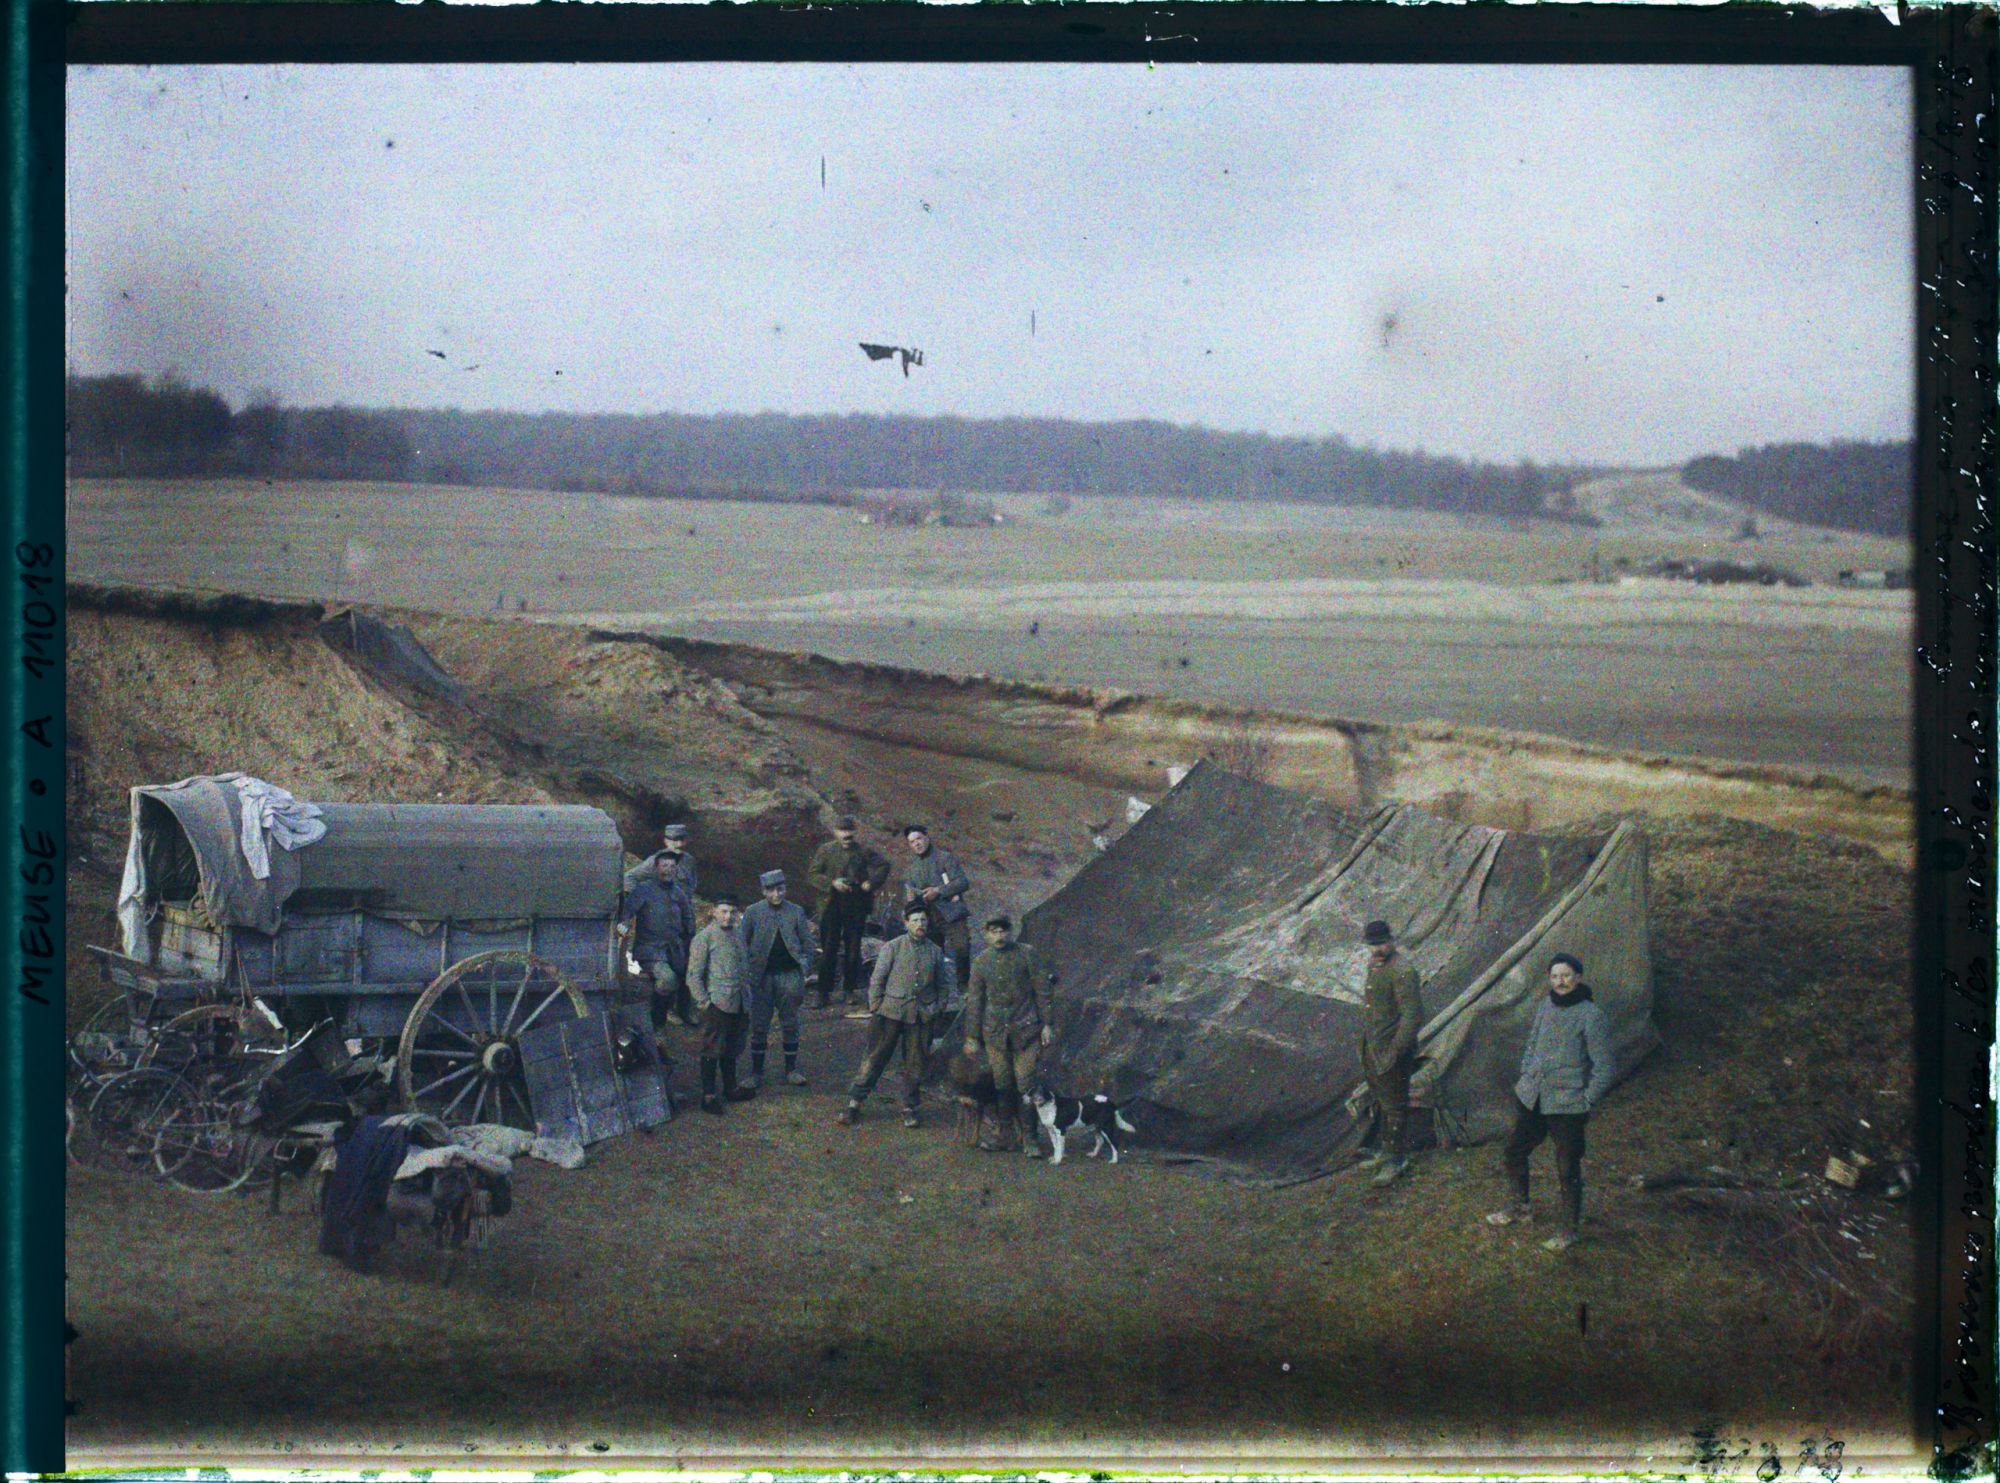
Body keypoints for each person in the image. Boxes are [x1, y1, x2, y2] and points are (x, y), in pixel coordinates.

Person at [1485, 952, 1617, 1252]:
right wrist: (1527, 1074)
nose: (1561, 982)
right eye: (1555, 976)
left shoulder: (1591, 1015)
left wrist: (1586, 1100)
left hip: (1568, 1106)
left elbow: (1605, 1066)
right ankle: (1521, 1208)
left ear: (1578, 978)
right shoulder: (1546, 1005)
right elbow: (1532, 1043)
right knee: (1514, 1151)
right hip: (1534, 1097)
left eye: (1567, 975)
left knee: (1567, 1167)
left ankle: (1569, 1230)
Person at [837, 903, 955, 1129]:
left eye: (923, 920)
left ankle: (909, 1107)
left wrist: (938, 1007)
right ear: (906, 923)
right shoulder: (892, 947)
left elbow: (943, 985)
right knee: (874, 1058)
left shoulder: (935, 951)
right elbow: (877, 979)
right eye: (915, 920)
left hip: (921, 1016)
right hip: (890, 1012)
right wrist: (876, 1006)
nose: (920, 924)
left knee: (915, 1063)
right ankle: (854, 1103)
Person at [961, 913, 1057, 1156]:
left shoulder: (1027, 954)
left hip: (1026, 1031)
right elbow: (975, 1001)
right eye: (993, 931)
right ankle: (1005, 1135)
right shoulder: (981, 962)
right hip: (995, 1035)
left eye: (1003, 931)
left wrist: (1047, 1024)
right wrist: (972, 1036)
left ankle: (1031, 1139)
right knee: (1002, 1083)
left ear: (1010, 932)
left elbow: (1042, 991)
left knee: (1025, 1083)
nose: (999, 936)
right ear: (986, 935)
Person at [1359, 918, 1424, 1187]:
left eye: (1382, 944)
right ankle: (1386, 1151)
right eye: (1372, 945)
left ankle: (1396, 1160)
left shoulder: (1402, 970)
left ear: (1392, 940)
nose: (1377, 949)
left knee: (1395, 1104)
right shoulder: (1376, 966)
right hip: (1374, 1044)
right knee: (1383, 1099)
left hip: (1392, 1048)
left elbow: (1412, 1016)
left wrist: (1395, 1051)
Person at [740, 868, 817, 1091]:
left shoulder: (796, 911)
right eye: (771, 890)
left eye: (780, 889)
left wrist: (804, 967)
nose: (776, 895)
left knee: (790, 1022)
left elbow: (807, 943)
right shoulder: (753, 912)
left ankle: (791, 1069)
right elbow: (742, 943)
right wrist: (748, 972)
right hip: (761, 977)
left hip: (789, 975)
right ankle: (756, 1072)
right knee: (759, 1024)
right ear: (763, 891)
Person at [806, 816, 890, 1010]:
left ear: (855, 832)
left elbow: (884, 866)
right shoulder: (826, 850)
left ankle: (849, 989)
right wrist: (832, 883)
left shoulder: (862, 851)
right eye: (842, 831)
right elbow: (812, 874)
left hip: (856, 906)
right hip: (831, 906)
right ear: (835, 832)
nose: (846, 835)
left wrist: (871, 883)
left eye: (849, 831)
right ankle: (823, 992)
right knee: (829, 949)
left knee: (853, 950)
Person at [614, 851, 697, 1039]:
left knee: (690, 973)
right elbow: (627, 913)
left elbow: (688, 917)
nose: (668, 870)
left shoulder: (678, 892)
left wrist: (691, 939)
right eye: (664, 866)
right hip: (649, 950)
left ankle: (681, 1011)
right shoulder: (643, 890)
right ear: (656, 868)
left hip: (674, 948)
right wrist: (624, 923)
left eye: (672, 866)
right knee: (667, 979)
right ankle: (656, 1022)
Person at [686, 897, 755, 1115]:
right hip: (718, 1003)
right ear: (713, 912)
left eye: (732, 912)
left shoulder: (739, 935)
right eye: (723, 911)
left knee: (733, 1047)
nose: (728, 916)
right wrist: (704, 1002)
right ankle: (708, 1095)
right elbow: (693, 975)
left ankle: (731, 1088)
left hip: (739, 1002)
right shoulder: (704, 938)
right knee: (712, 1048)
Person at [901, 824, 973, 994]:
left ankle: (964, 987)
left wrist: (938, 891)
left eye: (919, 839)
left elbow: (963, 882)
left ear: (927, 837)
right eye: (912, 842)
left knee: (962, 948)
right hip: (928, 917)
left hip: (951, 913)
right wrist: (912, 904)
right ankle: (936, 991)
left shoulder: (944, 858)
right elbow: (910, 892)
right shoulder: (912, 867)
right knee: (933, 955)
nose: (916, 844)